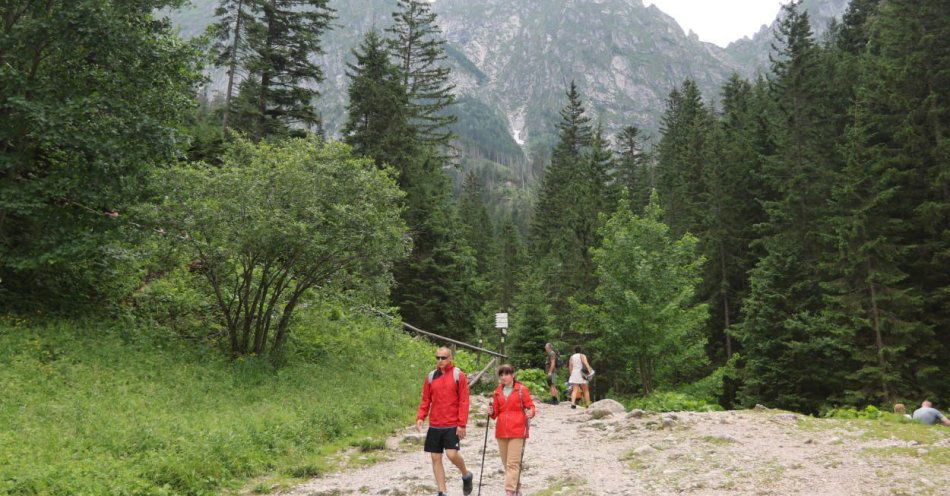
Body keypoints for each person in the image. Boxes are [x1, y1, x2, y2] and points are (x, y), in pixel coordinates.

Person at [416, 347, 475, 496]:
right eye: (438, 358)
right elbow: (426, 399)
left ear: (450, 358)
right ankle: (442, 492)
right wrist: (421, 417)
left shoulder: (458, 375)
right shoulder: (430, 377)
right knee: (435, 457)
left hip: (452, 423)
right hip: (435, 424)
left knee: (452, 455)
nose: (440, 361)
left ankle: (466, 475)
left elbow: (464, 401)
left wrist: (462, 424)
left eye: (443, 358)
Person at [488, 364, 536, 496]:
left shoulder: (521, 390)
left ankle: (509, 491)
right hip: (501, 430)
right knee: (506, 463)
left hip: (518, 430)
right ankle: (516, 487)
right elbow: (495, 414)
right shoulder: (497, 391)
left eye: (506, 374)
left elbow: (530, 406)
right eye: (501, 375)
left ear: (513, 375)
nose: (503, 377)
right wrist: (491, 412)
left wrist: (531, 412)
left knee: (512, 463)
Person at [567, 345, 594, 409]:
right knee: (585, 390)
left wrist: (571, 375)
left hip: (574, 373)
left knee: (575, 390)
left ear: (574, 350)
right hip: (581, 374)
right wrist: (590, 371)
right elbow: (586, 363)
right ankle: (588, 404)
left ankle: (573, 404)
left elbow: (570, 367)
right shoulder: (582, 356)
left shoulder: (571, 357)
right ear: (580, 350)